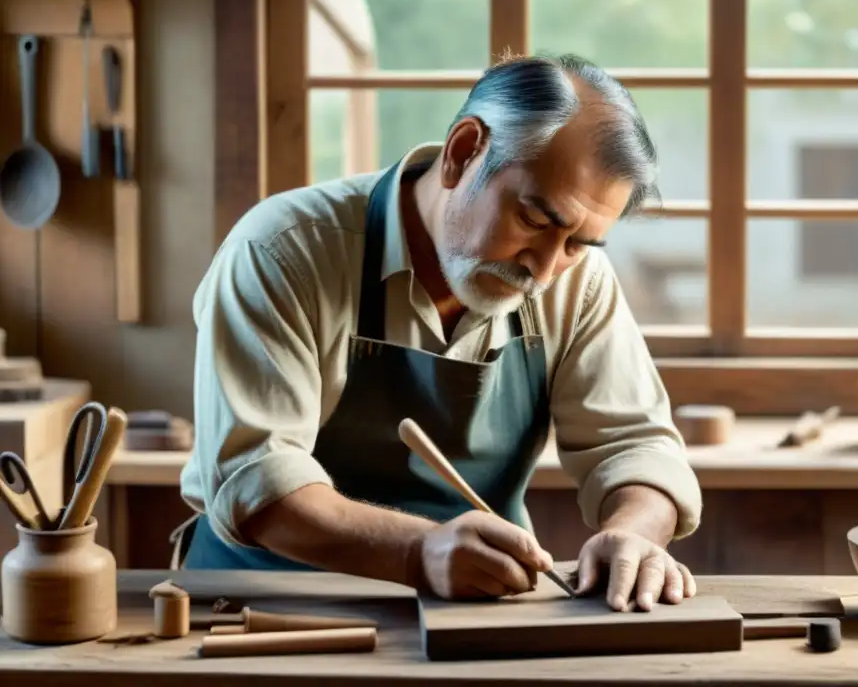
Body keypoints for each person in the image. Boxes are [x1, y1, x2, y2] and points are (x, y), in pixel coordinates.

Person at [173, 53, 703, 612]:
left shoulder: (577, 281)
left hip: (468, 609)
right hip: (265, 607)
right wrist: (418, 552)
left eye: (578, 244)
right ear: (462, 153)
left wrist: (636, 533)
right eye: (534, 219)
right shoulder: (282, 250)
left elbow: (635, 444)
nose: (544, 270)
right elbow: (258, 482)